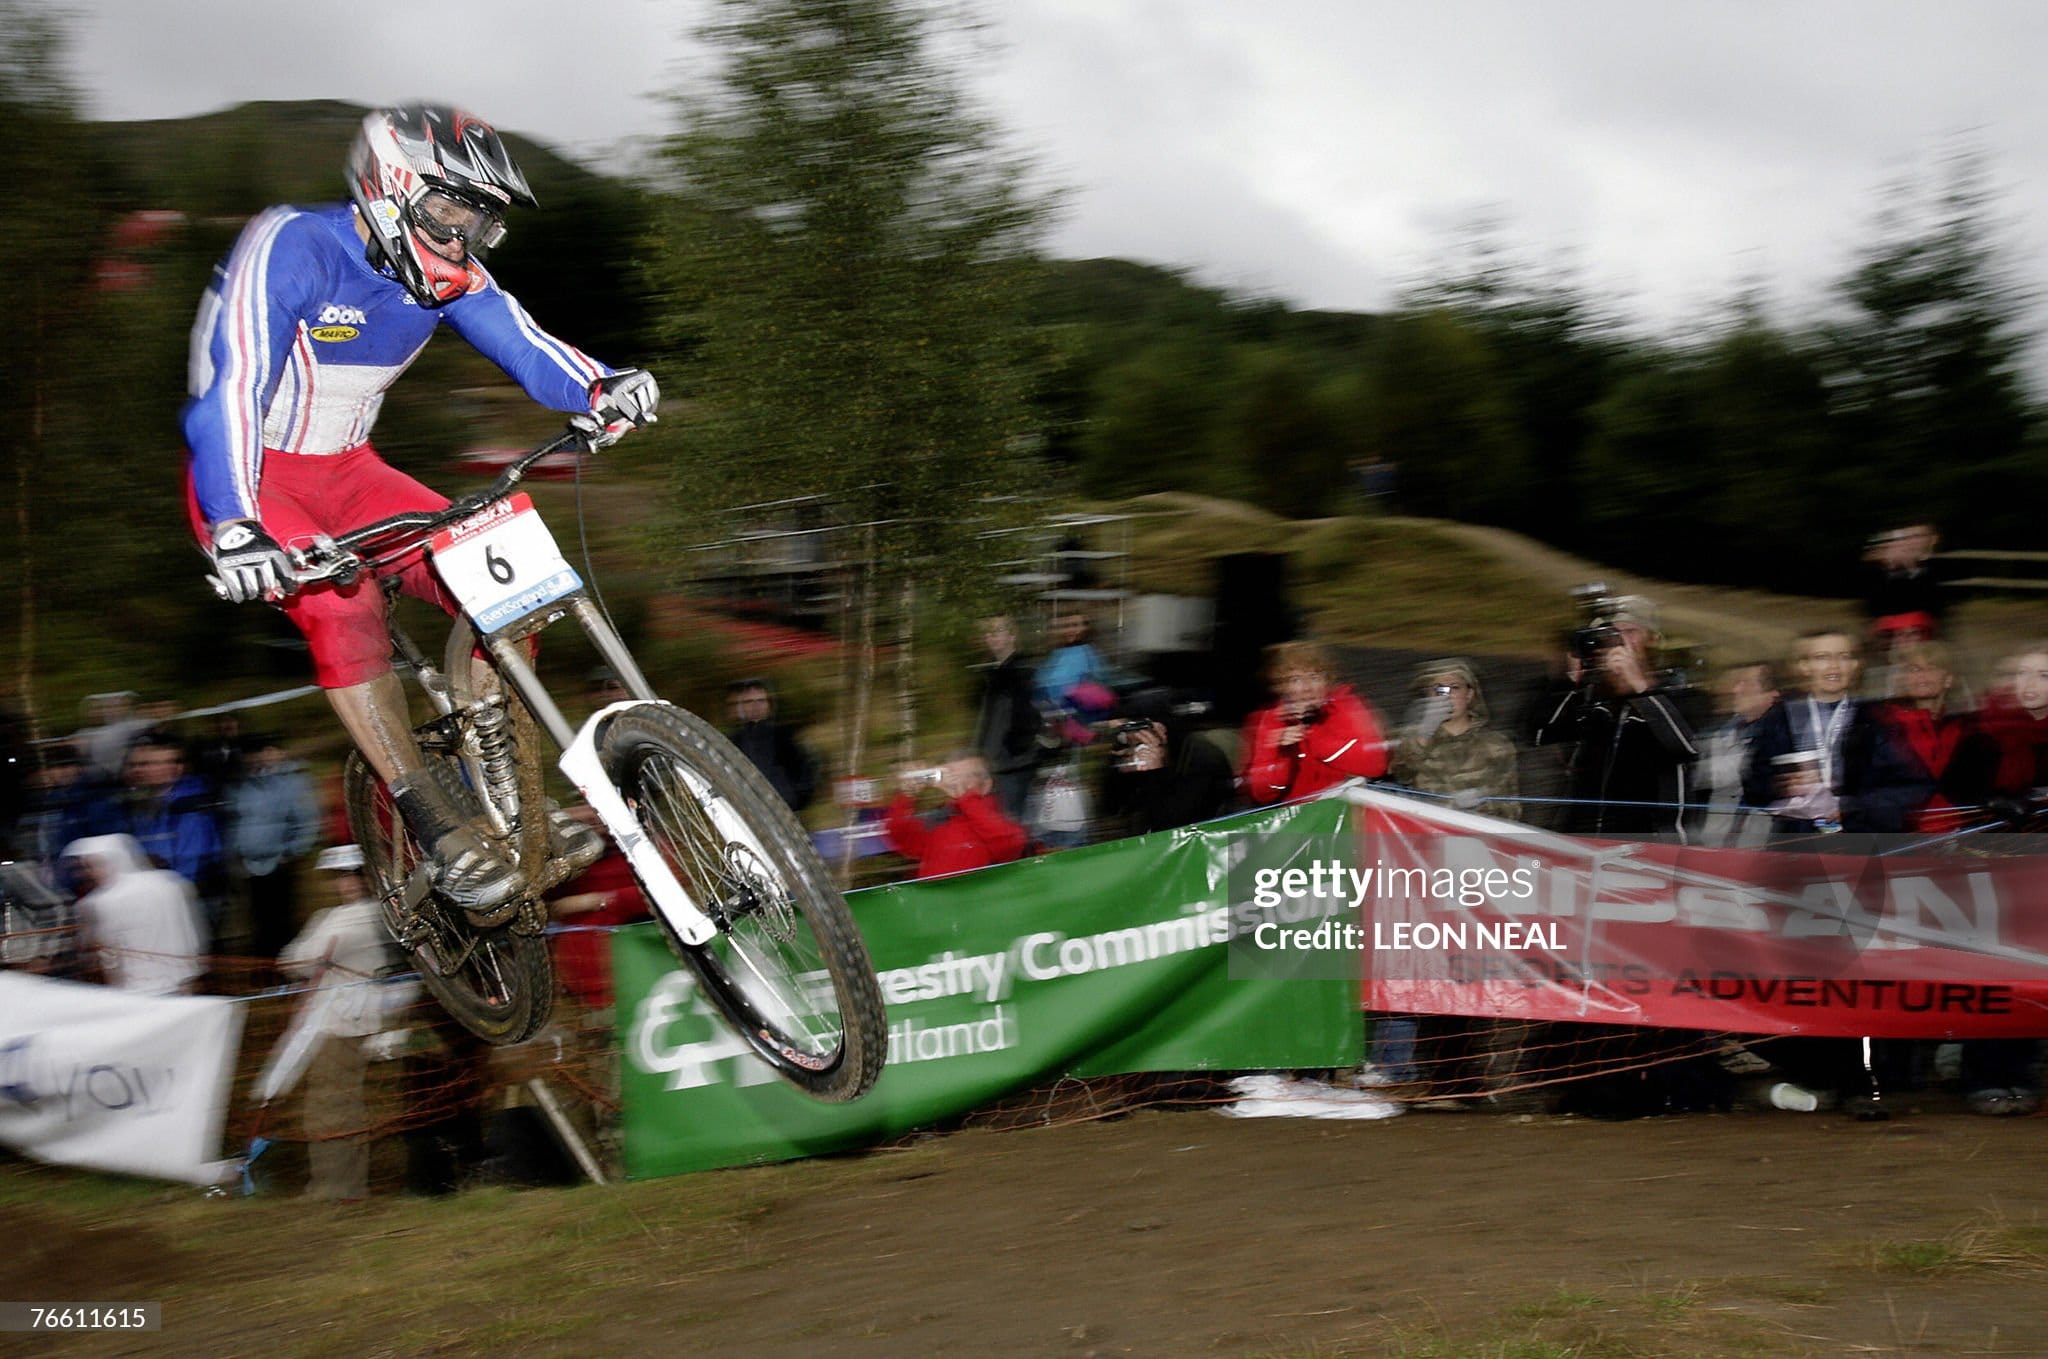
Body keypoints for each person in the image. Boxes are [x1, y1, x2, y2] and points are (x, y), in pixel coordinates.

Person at [184, 103, 653, 920]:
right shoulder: (295, 244)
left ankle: (514, 806)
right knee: (345, 602)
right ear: (388, 188)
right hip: (256, 481)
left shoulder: (451, 274)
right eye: (448, 209)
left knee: (516, 577)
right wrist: (235, 524)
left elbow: (523, 341)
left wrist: (600, 386)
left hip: (355, 473)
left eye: (478, 219)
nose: (460, 235)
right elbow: (230, 385)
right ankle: (435, 825)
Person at [281, 844, 410, 1200]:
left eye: (354, 874)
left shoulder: (358, 917)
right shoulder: (343, 915)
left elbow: (299, 960)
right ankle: (342, 1185)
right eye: (342, 876)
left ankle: (336, 1187)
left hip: (345, 1020)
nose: (348, 883)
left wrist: (309, 958)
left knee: (330, 1106)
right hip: (348, 1016)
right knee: (338, 1103)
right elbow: (293, 960)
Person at [1532, 597, 1698, 836]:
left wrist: (1640, 687)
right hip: (1587, 845)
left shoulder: (1677, 693)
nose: (1618, 641)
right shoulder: (1595, 700)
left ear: (1653, 640)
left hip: (1650, 848)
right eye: (1611, 633)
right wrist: (1571, 681)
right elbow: (1539, 734)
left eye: (1630, 632)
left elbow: (1686, 747)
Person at [1742, 631, 1932, 837]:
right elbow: (1753, 786)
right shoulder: (1779, 718)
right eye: (1822, 657)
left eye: (1844, 656)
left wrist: (1850, 807)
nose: (1834, 665)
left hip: (1861, 842)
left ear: (1855, 665)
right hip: (1796, 844)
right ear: (1804, 666)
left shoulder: (1878, 719)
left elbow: (1913, 786)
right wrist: (1778, 786)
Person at [1240, 641, 1390, 805]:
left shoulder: (1347, 707)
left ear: (1327, 682)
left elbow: (1375, 766)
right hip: (1295, 819)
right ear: (1283, 687)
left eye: (1314, 677)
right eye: (1296, 680)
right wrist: (1281, 753)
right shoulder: (1271, 721)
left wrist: (1312, 734)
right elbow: (1263, 793)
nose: (1306, 688)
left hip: (1345, 810)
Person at [65, 834, 205, 996]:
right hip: (181, 981)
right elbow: (189, 933)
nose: (90, 873)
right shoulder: (170, 883)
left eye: (93, 865)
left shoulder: (102, 901)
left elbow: (107, 953)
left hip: (136, 988)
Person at [1390, 659, 1520, 821]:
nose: (1447, 696)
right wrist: (1424, 734)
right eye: (1439, 689)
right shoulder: (1412, 739)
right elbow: (1401, 776)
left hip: (1478, 839)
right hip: (1427, 835)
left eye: (1455, 688)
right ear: (1428, 695)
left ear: (1469, 694)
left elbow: (1511, 809)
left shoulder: (1496, 744)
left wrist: (1482, 803)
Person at [1095, 691, 1237, 837]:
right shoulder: (1131, 753)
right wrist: (1118, 769)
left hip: (1207, 840)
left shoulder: (1200, 757)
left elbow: (1173, 823)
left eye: (1131, 728)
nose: (1125, 736)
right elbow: (1109, 809)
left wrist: (1155, 773)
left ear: (1159, 729)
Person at [230, 736, 321, 960]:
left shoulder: (290, 782)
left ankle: (291, 965)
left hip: (280, 863)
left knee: (284, 919)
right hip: (249, 868)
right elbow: (234, 822)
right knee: (258, 921)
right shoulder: (239, 785)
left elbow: (306, 820)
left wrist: (292, 852)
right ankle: (269, 969)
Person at [882, 754, 1028, 880]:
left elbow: (1009, 843)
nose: (955, 781)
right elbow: (900, 837)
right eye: (950, 775)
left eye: (966, 776)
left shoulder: (999, 820)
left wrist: (966, 798)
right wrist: (907, 796)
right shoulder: (942, 822)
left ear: (986, 784)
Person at [1694, 660, 1780, 847]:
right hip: (1713, 846)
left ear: (1773, 694)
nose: (1736, 689)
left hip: (1756, 848)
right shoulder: (1723, 732)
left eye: (1746, 682)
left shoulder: (1780, 737)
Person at [971, 616, 1042, 821]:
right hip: (998, 760)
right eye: (987, 633)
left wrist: (1016, 748)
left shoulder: (1024, 671)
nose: (990, 637)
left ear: (1012, 635)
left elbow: (1023, 717)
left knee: (1011, 820)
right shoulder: (993, 673)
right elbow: (987, 719)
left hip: (1013, 761)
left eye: (997, 631)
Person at [725, 679, 819, 813]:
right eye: (749, 702)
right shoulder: (733, 742)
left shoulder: (785, 737)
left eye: (761, 701)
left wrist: (795, 801)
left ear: (769, 704)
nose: (755, 706)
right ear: (741, 707)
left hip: (785, 814)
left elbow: (807, 770)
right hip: (747, 816)